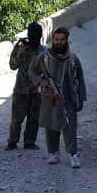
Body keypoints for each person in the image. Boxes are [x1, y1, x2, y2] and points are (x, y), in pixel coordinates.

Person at [33, 27, 87, 167]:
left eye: (62, 40)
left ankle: (73, 154)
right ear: (53, 40)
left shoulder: (73, 58)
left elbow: (80, 79)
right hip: (50, 98)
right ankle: (53, 153)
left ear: (66, 40)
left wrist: (81, 98)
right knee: (51, 126)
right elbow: (32, 71)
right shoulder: (44, 57)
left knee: (70, 127)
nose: (59, 42)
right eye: (57, 40)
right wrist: (41, 81)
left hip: (68, 99)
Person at [7, 22, 45, 151]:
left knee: (34, 118)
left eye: (36, 35)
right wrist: (19, 53)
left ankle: (29, 142)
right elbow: (12, 66)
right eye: (31, 34)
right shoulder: (21, 48)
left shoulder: (43, 51)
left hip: (36, 90)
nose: (34, 37)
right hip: (21, 89)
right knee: (17, 119)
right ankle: (12, 142)